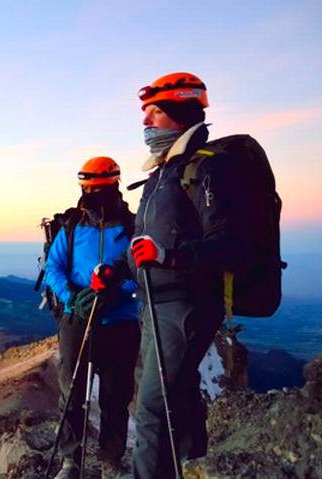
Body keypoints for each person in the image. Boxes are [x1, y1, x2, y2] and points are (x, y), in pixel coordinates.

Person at [128, 72, 243, 478]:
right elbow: (146, 245)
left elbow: (229, 243)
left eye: (155, 113)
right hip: (156, 305)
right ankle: (194, 467)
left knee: (152, 411)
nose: (146, 123)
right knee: (179, 397)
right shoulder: (162, 174)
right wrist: (118, 267)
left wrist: (169, 256)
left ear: (178, 114)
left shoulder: (204, 170)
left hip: (184, 306)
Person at [45, 156, 140, 479]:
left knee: (116, 395)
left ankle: (110, 460)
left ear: (114, 184)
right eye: (87, 187)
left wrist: (118, 291)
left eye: (97, 187)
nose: (91, 192)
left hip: (120, 322)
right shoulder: (71, 226)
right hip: (77, 320)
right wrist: (73, 297)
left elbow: (140, 271)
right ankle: (71, 461)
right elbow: (53, 268)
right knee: (71, 393)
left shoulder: (132, 226)